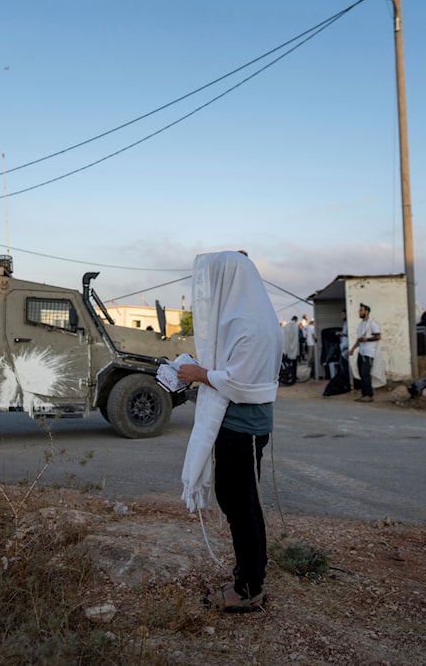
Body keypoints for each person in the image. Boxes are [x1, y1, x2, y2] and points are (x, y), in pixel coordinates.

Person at [178, 251, 282, 613]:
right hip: (242, 427)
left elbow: (238, 382)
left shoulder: (250, 324)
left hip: (243, 428)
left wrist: (198, 375)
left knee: (241, 506)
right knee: (243, 503)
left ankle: (249, 587)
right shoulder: (253, 316)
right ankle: (250, 574)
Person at [349, 303, 381, 403]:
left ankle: (369, 394)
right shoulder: (361, 324)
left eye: (361, 310)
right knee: (361, 374)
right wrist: (353, 349)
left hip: (369, 352)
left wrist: (366, 339)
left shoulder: (372, 323)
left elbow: (378, 336)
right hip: (361, 351)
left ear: (366, 312)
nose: (359, 312)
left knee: (365, 373)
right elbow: (359, 339)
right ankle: (364, 394)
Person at [282, 316, 300, 385]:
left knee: (288, 364)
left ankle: (289, 376)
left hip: (287, 349)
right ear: (296, 320)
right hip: (295, 349)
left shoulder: (286, 326)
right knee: (294, 364)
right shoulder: (296, 326)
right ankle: (294, 376)